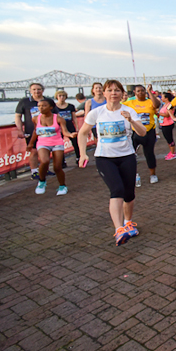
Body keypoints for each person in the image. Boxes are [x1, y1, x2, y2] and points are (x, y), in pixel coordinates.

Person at [77, 80, 146, 246]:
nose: (113, 93)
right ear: (104, 93)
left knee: (129, 194)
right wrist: (82, 154)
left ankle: (128, 222)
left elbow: (142, 132)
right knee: (117, 190)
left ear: (122, 94)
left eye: (117, 90)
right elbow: (83, 133)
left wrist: (131, 120)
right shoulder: (96, 112)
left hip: (127, 156)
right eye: (110, 90)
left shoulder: (129, 111)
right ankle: (119, 229)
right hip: (104, 158)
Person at [27, 98, 76, 196]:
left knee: (57, 167)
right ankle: (42, 181)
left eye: (44, 106)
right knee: (44, 161)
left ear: (51, 107)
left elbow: (64, 131)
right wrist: (31, 143)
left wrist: (70, 135)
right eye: (39, 106)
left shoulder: (58, 119)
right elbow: (35, 131)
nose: (41, 108)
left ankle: (62, 186)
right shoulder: (36, 118)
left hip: (57, 143)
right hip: (42, 143)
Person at [15, 83, 57, 179]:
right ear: (30, 91)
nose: (36, 91)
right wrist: (20, 130)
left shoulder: (48, 101)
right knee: (33, 151)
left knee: (46, 150)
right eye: (34, 89)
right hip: (31, 130)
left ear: (42, 90)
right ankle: (34, 171)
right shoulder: (24, 102)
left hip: (47, 130)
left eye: (38, 89)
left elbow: (56, 115)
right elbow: (18, 116)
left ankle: (45, 169)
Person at [127, 84, 161, 183]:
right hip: (135, 132)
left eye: (142, 91)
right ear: (134, 92)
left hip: (149, 131)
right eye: (138, 91)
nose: (141, 93)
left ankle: (153, 174)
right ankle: (133, 174)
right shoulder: (130, 103)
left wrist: (150, 92)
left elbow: (157, 105)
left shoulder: (150, 101)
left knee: (149, 154)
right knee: (130, 154)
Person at [54, 90, 81, 165]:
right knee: (59, 144)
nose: (61, 97)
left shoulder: (70, 106)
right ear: (57, 97)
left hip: (70, 126)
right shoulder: (54, 107)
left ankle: (78, 157)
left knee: (75, 142)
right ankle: (62, 161)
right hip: (59, 127)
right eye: (60, 96)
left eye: (63, 96)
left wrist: (77, 127)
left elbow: (74, 117)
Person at [158, 92, 176, 160]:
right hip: (163, 123)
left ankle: (173, 153)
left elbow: (167, 115)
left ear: (166, 98)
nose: (161, 98)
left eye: (162, 97)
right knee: (167, 139)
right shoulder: (164, 105)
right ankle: (171, 151)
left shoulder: (170, 105)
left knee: (170, 139)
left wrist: (158, 113)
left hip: (168, 124)